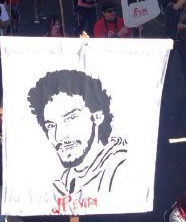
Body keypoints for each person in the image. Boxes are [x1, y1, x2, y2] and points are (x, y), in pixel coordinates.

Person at [27, 69, 128, 201]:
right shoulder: (65, 182)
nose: (59, 137)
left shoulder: (120, 170)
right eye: (51, 125)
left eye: (70, 118)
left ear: (97, 116)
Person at [165, 0, 186, 91]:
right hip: (170, 39)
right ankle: (164, 80)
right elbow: (174, 8)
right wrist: (184, 0)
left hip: (182, 40)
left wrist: (184, 26)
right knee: (167, 62)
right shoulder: (170, 6)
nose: (184, 0)